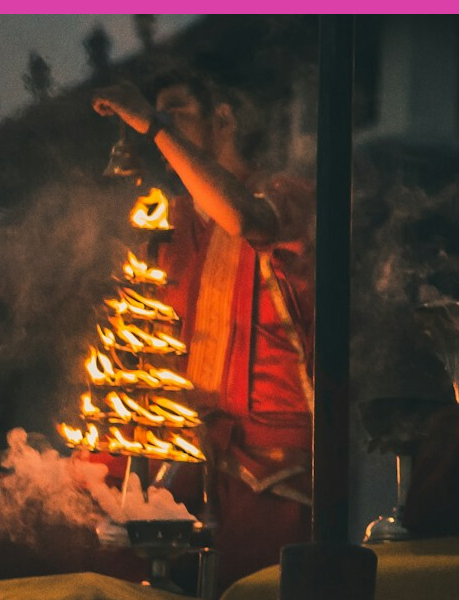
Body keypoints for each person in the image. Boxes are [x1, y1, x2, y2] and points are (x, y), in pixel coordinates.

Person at [92, 69, 315, 588]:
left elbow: (242, 218)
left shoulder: (287, 196)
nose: (161, 124)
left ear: (224, 118)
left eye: (177, 109)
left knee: (253, 591)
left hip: (271, 467)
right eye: (161, 112)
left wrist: (154, 126)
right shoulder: (173, 219)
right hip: (184, 457)